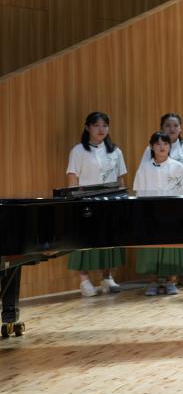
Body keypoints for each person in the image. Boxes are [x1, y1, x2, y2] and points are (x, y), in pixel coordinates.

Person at [66, 111, 127, 297]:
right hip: (86, 202)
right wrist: (74, 203)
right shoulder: (78, 151)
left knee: (109, 240)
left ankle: (107, 277)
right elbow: (72, 179)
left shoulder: (116, 151)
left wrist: (122, 201)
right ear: (87, 128)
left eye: (105, 126)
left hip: (111, 202)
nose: (101, 129)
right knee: (84, 241)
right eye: (96, 125)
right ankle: (84, 281)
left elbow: (121, 179)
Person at [133, 131, 183, 296]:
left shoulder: (178, 166)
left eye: (165, 144)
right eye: (158, 144)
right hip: (150, 213)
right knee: (151, 248)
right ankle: (153, 282)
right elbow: (139, 193)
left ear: (170, 146)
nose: (162, 147)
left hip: (172, 213)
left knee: (171, 248)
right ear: (152, 147)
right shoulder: (144, 167)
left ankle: (170, 281)